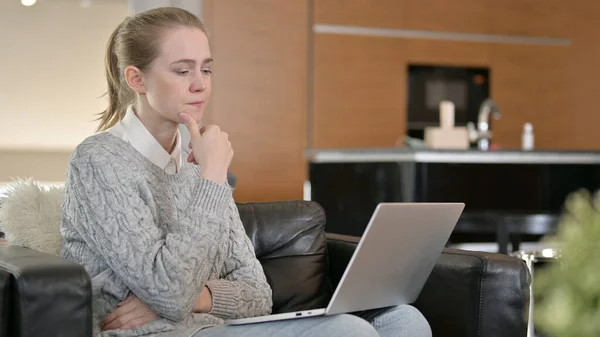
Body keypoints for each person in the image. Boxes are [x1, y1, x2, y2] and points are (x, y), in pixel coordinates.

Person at [60, 7, 432, 337]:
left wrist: (198, 297)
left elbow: (257, 295)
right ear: (136, 79)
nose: (200, 84)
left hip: (211, 325)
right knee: (348, 331)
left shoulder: (199, 158)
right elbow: (170, 291)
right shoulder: (100, 161)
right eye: (182, 70)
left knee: (403, 320)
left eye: (206, 68)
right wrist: (212, 178)